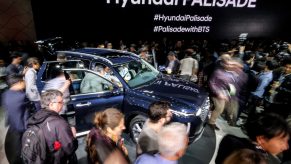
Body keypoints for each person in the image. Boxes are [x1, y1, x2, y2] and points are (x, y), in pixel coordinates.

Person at [25, 89, 78, 163]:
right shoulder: (59, 123)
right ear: (51, 104)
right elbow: (69, 149)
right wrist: (74, 136)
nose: (62, 104)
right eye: (60, 102)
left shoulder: (36, 117)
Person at [215, 113, 290, 164]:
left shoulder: (231, 142)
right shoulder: (251, 159)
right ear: (262, 139)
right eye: (282, 141)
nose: (286, 146)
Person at [2, 75, 29, 164]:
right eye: (23, 81)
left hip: (12, 122)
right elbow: (25, 112)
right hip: (20, 124)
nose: (25, 83)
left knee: (17, 142)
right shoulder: (21, 96)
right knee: (20, 143)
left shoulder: (5, 94)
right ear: (18, 83)